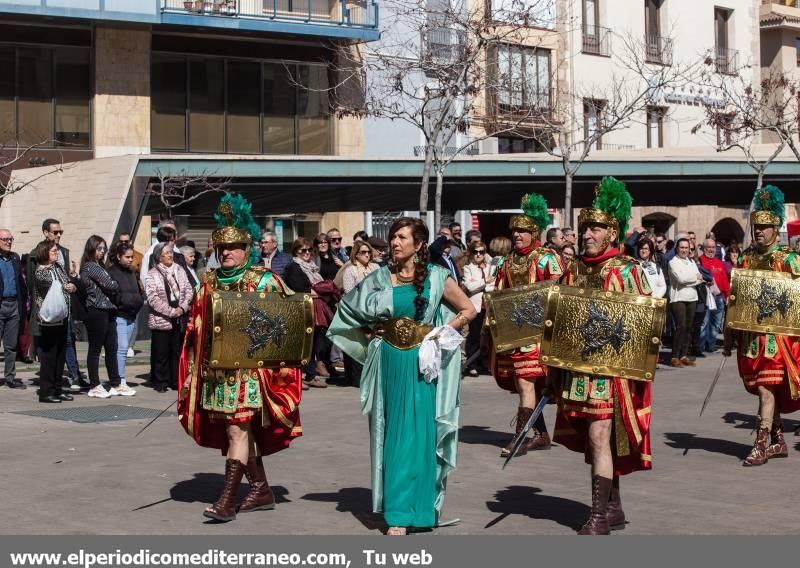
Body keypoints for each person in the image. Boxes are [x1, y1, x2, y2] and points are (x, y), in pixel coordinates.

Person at [328, 217, 476, 536]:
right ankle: (397, 512)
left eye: (402, 238)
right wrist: (370, 331)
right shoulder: (381, 277)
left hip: (422, 363)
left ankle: (422, 512)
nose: (395, 242)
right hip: (389, 361)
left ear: (419, 244)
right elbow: (347, 311)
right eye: (393, 237)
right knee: (394, 434)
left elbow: (468, 310)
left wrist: (438, 332)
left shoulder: (438, 277)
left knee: (420, 435)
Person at [178, 194, 303, 522]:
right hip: (215, 375)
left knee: (237, 431)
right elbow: (194, 331)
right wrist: (192, 369)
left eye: (234, 247)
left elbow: (289, 325)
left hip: (250, 374)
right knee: (240, 433)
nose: (226, 252)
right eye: (222, 248)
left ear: (248, 250)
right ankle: (261, 490)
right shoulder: (207, 284)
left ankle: (227, 501)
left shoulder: (265, 281)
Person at [553, 176, 653, 535]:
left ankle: (597, 516)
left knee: (600, 436)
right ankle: (613, 506)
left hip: (613, 375)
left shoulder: (628, 271)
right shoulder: (573, 270)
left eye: (596, 228)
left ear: (613, 232)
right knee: (597, 439)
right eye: (585, 229)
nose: (588, 235)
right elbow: (560, 323)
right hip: (579, 371)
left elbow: (643, 330)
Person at [724, 185, 800, 467]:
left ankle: (760, 443)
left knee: (768, 388)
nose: (759, 232)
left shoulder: (790, 260)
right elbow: (736, 298)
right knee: (762, 387)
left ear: (775, 228)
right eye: (756, 226)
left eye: (765, 227)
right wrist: (729, 330)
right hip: (751, 337)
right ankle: (779, 440)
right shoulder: (746, 258)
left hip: (780, 340)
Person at [491, 194, 563, 456]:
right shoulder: (507, 260)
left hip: (540, 333)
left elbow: (560, 291)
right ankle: (541, 434)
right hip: (514, 331)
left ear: (534, 232)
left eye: (523, 230)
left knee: (526, 384)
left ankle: (519, 438)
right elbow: (500, 294)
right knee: (524, 385)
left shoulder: (547, 258)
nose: (518, 235)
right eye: (515, 231)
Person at [80, 236, 126, 399]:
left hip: (108, 310)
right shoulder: (91, 266)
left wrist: (114, 285)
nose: (102, 252)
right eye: (99, 248)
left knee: (112, 348)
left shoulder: (100, 266)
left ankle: (115, 383)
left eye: (104, 249)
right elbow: (111, 285)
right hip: (97, 311)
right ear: (91, 249)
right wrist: (115, 284)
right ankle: (94, 384)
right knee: (95, 349)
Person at [32, 240, 77, 403]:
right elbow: (52, 286)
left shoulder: (57, 267)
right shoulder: (41, 271)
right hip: (49, 320)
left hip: (63, 317)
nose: (56, 253)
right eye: (53, 251)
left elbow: (67, 283)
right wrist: (67, 285)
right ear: (44, 252)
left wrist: (72, 284)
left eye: (56, 250)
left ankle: (58, 389)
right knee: (49, 357)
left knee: (60, 355)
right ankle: (46, 392)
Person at [146, 242, 192, 393]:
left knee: (176, 351)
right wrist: (171, 311)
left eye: (171, 252)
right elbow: (153, 299)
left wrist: (182, 308)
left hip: (179, 315)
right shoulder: (152, 274)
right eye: (166, 253)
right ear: (159, 256)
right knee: (161, 353)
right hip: (162, 317)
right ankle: (161, 381)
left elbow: (188, 290)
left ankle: (175, 380)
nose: (170, 255)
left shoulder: (179, 270)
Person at [284, 238, 331, 388]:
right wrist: (319, 291)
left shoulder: (313, 267)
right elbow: (298, 288)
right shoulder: (294, 267)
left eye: (309, 250)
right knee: (303, 344)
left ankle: (311, 374)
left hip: (315, 309)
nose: (306, 253)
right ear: (296, 251)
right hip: (301, 309)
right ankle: (301, 376)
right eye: (302, 250)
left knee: (315, 343)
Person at [340, 240, 379, 387]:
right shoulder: (351, 270)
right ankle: (355, 377)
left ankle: (371, 375)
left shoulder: (375, 267)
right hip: (355, 310)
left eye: (369, 252)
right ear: (356, 255)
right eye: (363, 252)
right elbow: (349, 293)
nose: (367, 255)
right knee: (357, 344)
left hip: (374, 309)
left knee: (372, 343)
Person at [107, 242, 143, 396]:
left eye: (131, 257)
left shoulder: (132, 272)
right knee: (121, 349)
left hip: (131, 314)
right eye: (127, 257)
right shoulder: (112, 272)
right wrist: (120, 302)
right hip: (119, 315)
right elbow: (113, 293)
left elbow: (137, 290)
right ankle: (119, 380)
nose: (130, 260)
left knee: (124, 348)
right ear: (118, 257)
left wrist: (139, 301)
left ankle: (120, 379)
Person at [462, 240, 494, 377]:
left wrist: (480, 284)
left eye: (481, 252)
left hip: (489, 307)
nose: (478, 255)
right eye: (476, 252)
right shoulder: (468, 268)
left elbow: (493, 286)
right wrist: (485, 281)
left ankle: (484, 363)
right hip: (475, 307)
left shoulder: (490, 268)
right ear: (471, 253)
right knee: (474, 336)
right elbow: (469, 287)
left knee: (488, 336)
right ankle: (472, 365)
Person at [0, 229, 27, 389]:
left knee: (11, 346)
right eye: (5, 239)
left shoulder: (15, 258)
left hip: (13, 305)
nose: (9, 242)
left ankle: (10, 377)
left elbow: (21, 283)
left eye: (11, 239)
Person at [668, 238, 701, 368]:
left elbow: (700, 278)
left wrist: (692, 279)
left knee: (688, 327)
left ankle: (684, 355)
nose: (684, 250)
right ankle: (674, 356)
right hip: (678, 297)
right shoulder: (673, 262)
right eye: (682, 247)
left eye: (686, 248)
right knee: (680, 326)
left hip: (692, 297)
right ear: (677, 248)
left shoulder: (691, 262)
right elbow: (681, 279)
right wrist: (694, 279)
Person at [699, 238, 730, 353]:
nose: (711, 250)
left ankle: (710, 344)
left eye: (713, 247)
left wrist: (727, 295)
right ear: (704, 248)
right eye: (709, 247)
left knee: (715, 323)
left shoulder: (718, 262)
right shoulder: (700, 261)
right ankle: (701, 346)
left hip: (719, 297)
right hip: (706, 297)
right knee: (704, 322)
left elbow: (725, 281)